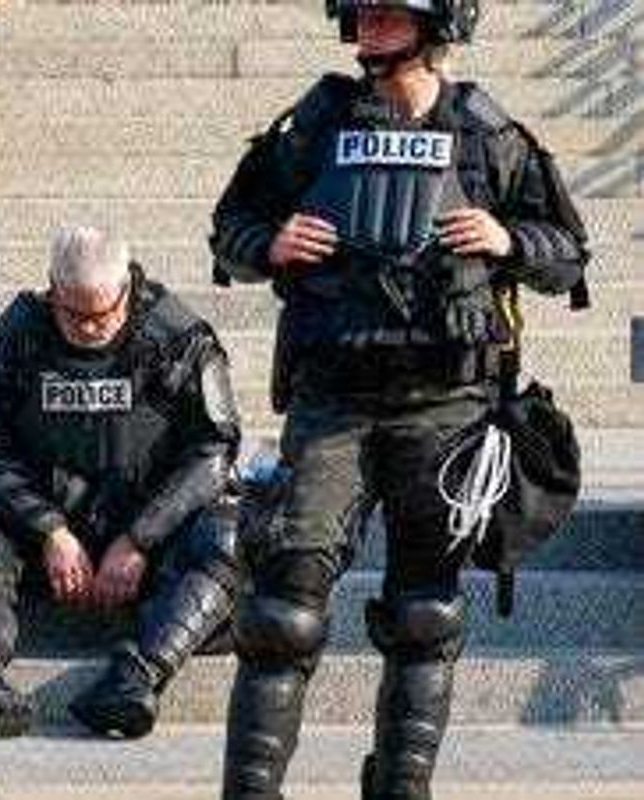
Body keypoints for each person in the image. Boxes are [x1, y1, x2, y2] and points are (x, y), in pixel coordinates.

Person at [209, 1, 588, 798]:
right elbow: (230, 227)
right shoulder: (313, 126)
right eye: (364, 13)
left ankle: (401, 785)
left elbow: (569, 255)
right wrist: (269, 244)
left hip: (447, 404)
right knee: (283, 610)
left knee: (426, 613)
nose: (369, 25)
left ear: (436, 23)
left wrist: (509, 240)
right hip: (333, 401)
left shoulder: (489, 135)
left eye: (389, 13)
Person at [0, 226, 241, 740]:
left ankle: (138, 678)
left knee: (227, 539)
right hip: (45, 539)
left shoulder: (179, 338)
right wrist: (50, 531)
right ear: (51, 290)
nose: (87, 327)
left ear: (127, 286)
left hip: (147, 539)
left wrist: (139, 538)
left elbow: (214, 451)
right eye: (73, 313)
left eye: (102, 314)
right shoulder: (14, 338)